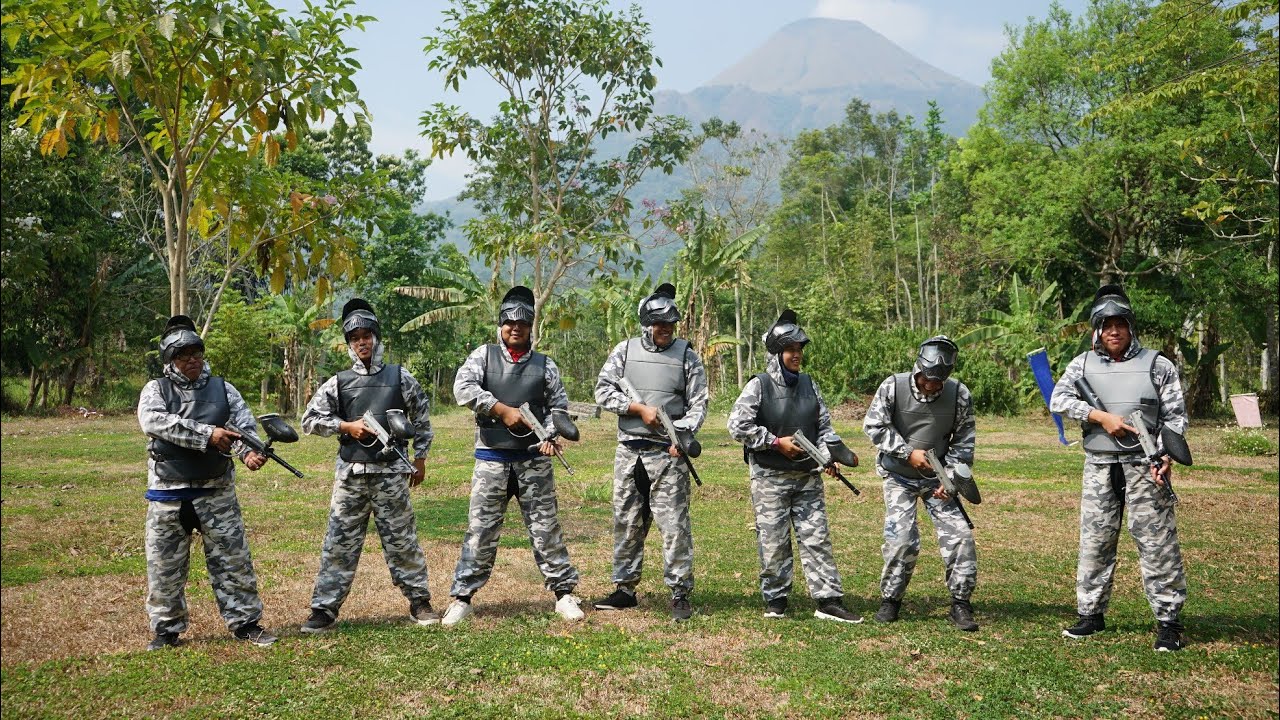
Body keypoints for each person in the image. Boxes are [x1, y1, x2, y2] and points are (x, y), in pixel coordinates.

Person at [1049, 285, 1189, 651]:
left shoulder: (1159, 365)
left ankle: (1168, 622)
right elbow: (1059, 399)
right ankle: (1091, 614)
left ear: (1130, 326)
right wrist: (1098, 416)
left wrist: (1167, 455)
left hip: (1145, 466)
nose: (1114, 331)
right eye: (1107, 324)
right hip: (1099, 465)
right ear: (1097, 329)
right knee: (1095, 542)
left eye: (1120, 324)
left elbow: (1175, 418)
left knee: (1157, 544)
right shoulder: (1081, 365)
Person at [441, 286, 584, 626]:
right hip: (491, 457)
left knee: (546, 528)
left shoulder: (545, 365)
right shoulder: (483, 356)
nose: (514, 329)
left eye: (522, 323)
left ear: (532, 326)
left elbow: (557, 406)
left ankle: (564, 594)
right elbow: (462, 387)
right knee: (480, 531)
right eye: (508, 323)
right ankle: (462, 597)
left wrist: (549, 433)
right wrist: (500, 409)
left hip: (533, 459)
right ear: (501, 325)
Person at [137, 315, 277, 650]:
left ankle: (246, 623)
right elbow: (155, 422)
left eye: (196, 354)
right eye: (184, 356)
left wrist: (248, 453)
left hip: (216, 492)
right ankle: (166, 630)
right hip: (168, 495)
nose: (192, 361)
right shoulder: (155, 390)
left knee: (233, 562)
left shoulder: (223, 389)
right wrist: (207, 434)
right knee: (164, 568)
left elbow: (242, 429)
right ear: (170, 360)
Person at [299, 298, 437, 632]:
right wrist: (347, 427)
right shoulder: (338, 382)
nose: (362, 342)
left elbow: (421, 416)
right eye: (354, 337)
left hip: (391, 472)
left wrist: (420, 458)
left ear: (377, 337)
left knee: (402, 540)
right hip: (351, 475)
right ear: (349, 344)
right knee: (339, 542)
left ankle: (420, 601)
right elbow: (309, 420)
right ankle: (324, 609)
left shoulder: (400, 377)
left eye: (367, 335)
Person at [727, 310, 863, 623]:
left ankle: (828, 600)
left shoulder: (808, 384)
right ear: (777, 354)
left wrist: (829, 454)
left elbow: (823, 424)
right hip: (769, 477)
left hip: (807, 477)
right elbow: (737, 426)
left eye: (800, 351)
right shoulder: (758, 386)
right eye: (791, 351)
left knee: (817, 538)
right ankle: (776, 599)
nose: (797, 356)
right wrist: (776, 442)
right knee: (773, 541)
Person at [592, 283, 708, 621]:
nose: (666, 331)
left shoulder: (687, 355)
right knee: (627, 522)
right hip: (629, 452)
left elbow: (699, 403)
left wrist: (681, 435)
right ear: (646, 324)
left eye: (671, 326)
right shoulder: (624, 352)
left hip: (668, 454)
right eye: (660, 325)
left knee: (674, 526)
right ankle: (625, 589)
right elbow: (602, 391)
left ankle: (680, 593)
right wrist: (634, 408)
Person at [862, 335, 980, 631]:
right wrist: (906, 452)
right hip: (898, 476)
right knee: (901, 540)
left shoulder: (959, 394)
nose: (931, 386)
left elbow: (964, 442)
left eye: (938, 382)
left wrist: (950, 477)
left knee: (961, 536)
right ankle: (891, 600)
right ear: (918, 369)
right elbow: (873, 426)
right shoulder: (893, 386)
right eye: (927, 379)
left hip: (937, 478)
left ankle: (961, 604)